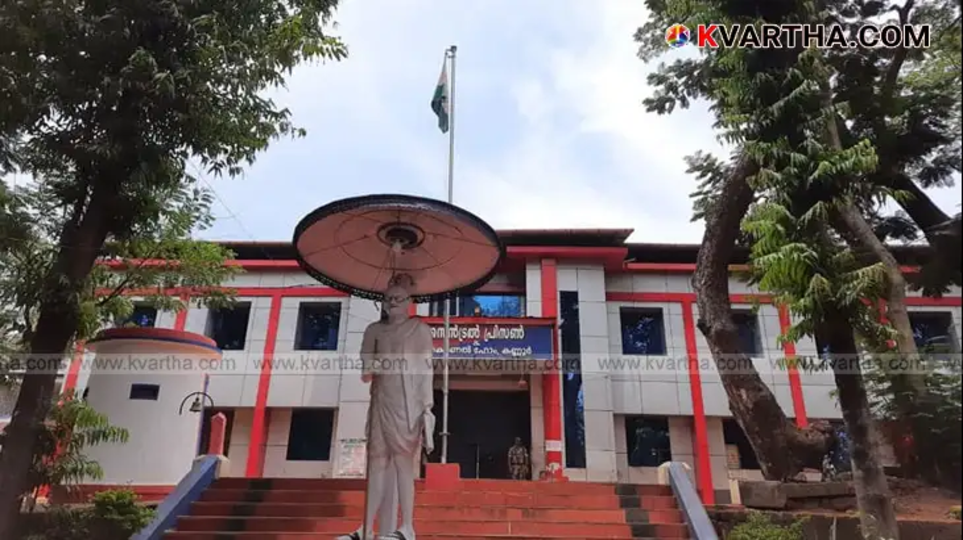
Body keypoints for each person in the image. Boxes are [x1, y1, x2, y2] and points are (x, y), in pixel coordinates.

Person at [337, 274, 435, 540]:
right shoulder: (374, 331)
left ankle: (407, 527)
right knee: (376, 461)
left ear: (409, 301)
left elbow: (426, 370)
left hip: (407, 403)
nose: (393, 303)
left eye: (398, 298)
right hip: (381, 400)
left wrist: (427, 406)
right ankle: (367, 527)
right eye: (388, 298)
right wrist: (380, 364)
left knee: (404, 462)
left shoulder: (419, 329)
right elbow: (366, 373)